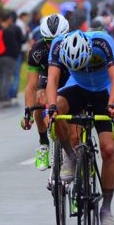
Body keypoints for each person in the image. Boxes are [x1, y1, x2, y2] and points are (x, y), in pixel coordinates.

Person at [46, 30, 114, 225]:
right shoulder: (58, 44)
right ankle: (71, 156)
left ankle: (106, 208)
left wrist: (113, 104)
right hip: (77, 87)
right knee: (56, 110)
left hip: (103, 92)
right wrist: (51, 107)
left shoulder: (103, 42)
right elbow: (52, 80)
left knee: (108, 150)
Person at [21, 13, 69, 170]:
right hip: (47, 76)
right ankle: (43, 144)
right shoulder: (37, 51)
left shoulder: (74, 44)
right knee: (38, 100)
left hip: (70, 77)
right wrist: (27, 112)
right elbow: (30, 85)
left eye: (57, 41)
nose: (53, 45)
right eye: (49, 41)